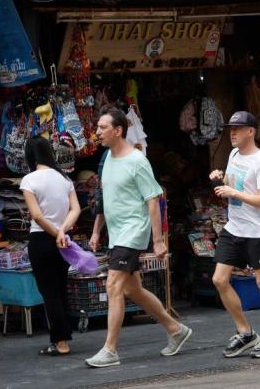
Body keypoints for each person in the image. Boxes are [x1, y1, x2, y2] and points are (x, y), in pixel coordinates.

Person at [85, 108, 192, 368]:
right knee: (133, 289)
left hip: (133, 232)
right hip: (117, 233)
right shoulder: (108, 158)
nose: (97, 132)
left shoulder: (137, 160)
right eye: (97, 127)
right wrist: (97, 230)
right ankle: (176, 329)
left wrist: (157, 240)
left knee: (113, 286)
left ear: (118, 130)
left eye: (102, 127)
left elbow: (153, 201)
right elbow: (104, 199)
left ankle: (110, 350)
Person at [210, 111, 260, 358]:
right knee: (219, 279)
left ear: (250, 132)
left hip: (257, 231)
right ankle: (246, 332)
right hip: (234, 227)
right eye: (231, 129)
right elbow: (234, 183)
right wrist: (220, 179)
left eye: (238, 129)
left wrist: (234, 193)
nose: (233, 133)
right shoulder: (233, 154)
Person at [20, 136, 81, 356]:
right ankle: (64, 336)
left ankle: (61, 342)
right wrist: (63, 232)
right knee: (61, 288)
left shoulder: (29, 180)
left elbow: (36, 215)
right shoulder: (64, 178)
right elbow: (76, 209)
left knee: (49, 292)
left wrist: (57, 233)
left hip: (42, 240)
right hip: (63, 240)